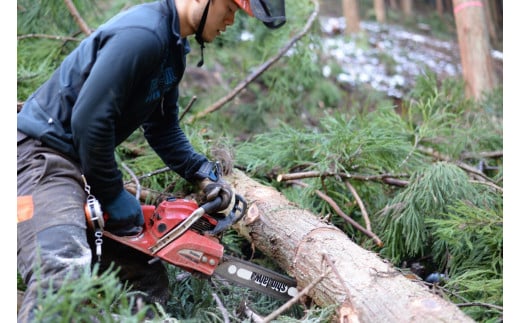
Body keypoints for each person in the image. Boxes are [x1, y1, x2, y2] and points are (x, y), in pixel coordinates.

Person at [16, 0, 286, 321]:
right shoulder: (143, 35)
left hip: (74, 172)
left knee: (145, 277)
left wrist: (201, 173)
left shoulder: (172, 49)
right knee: (61, 274)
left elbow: (162, 128)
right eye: (228, 8)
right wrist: (113, 194)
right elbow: (89, 120)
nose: (230, 20)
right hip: (36, 162)